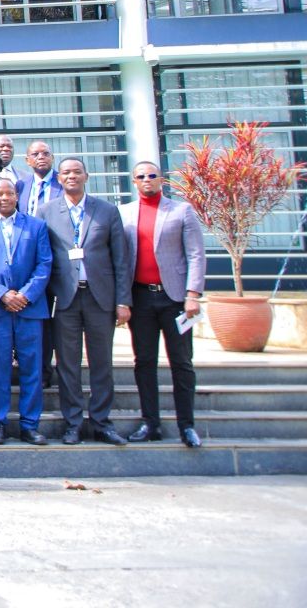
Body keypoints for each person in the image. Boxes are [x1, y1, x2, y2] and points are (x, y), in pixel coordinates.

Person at [42, 157, 131, 446]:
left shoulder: (106, 211)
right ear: (59, 178)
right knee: (67, 364)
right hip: (65, 299)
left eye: (76, 172)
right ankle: (73, 423)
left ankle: (102, 422)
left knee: (101, 362)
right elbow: (44, 258)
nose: (71, 176)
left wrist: (123, 300)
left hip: (99, 297)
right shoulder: (46, 212)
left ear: (86, 176)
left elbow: (120, 259)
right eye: (66, 172)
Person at [120, 160, 206, 448]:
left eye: (152, 176)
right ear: (134, 181)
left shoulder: (181, 211)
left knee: (181, 361)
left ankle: (187, 425)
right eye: (141, 176)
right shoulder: (125, 214)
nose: (147, 180)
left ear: (162, 179)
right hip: (141, 298)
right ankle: (150, 423)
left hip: (175, 299)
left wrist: (193, 294)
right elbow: (121, 260)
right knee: (144, 361)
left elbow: (196, 254)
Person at [0, 179, 52, 445]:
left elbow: (44, 264)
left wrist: (25, 295)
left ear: (17, 196)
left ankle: (30, 424)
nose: (4, 197)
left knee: (32, 368)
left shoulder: (36, 225)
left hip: (29, 308)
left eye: (9, 193)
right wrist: (2, 294)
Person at [15, 139, 59, 216]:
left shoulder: (63, 182)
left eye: (46, 153)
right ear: (27, 161)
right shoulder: (21, 185)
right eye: (35, 154)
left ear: (52, 158)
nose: (41, 157)